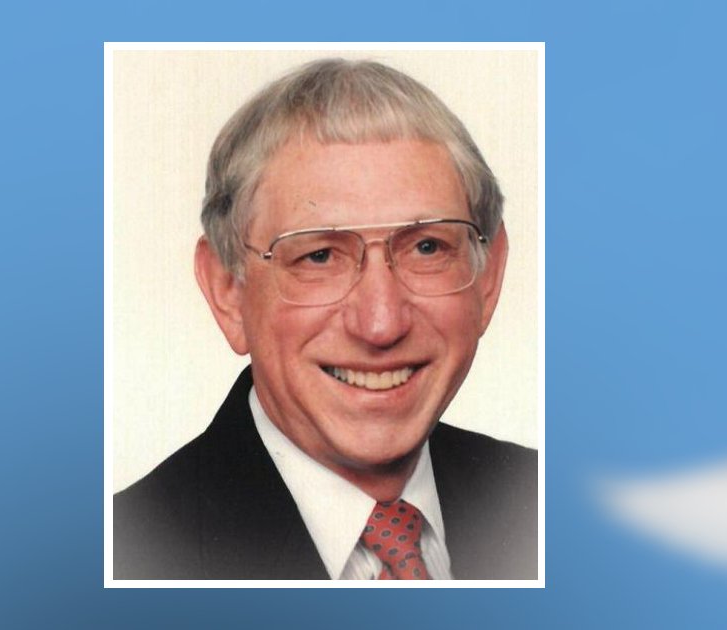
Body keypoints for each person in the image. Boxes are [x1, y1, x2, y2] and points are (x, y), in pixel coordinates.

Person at [113, 58, 538, 580]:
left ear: (488, 276)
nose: (381, 323)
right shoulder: (127, 556)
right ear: (228, 291)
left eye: (426, 247)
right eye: (319, 257)